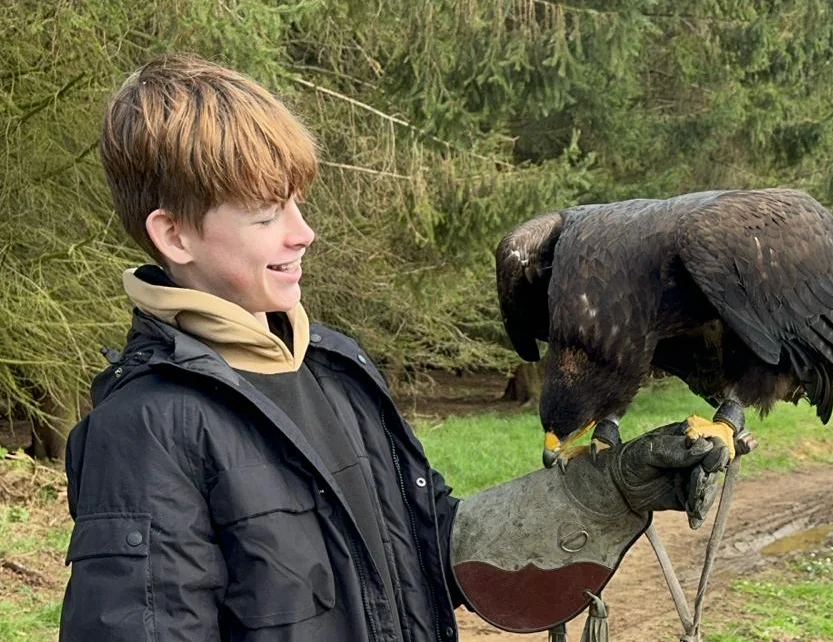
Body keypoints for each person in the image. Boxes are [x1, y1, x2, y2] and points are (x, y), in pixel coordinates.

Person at [59, 54, 730, 641]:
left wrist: (604, 493)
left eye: (298, 203)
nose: (304, 233)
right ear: (175, 237)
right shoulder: (146, 432)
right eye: (268, 215)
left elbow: (433, 546)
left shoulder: (338, 372)